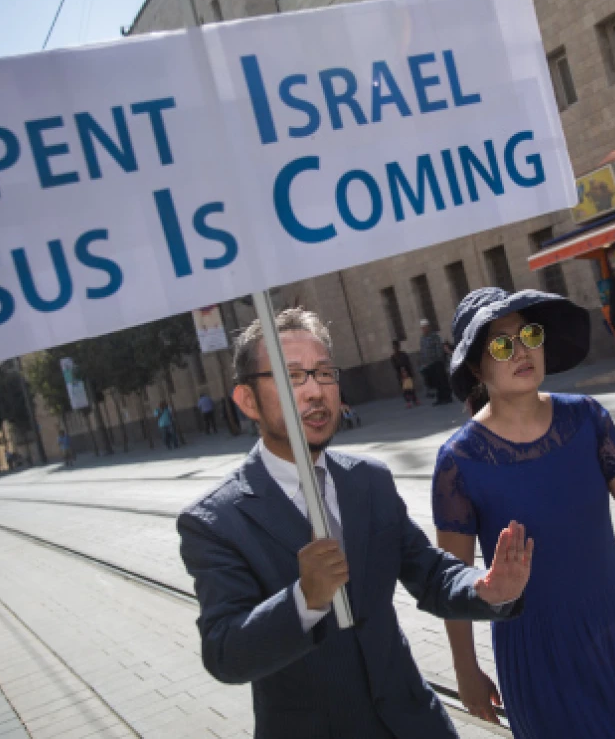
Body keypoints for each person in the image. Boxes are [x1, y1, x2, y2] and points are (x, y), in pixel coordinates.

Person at [177, 309, 532, 739]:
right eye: (292, 377)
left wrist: (485, 588)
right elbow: (225, 653)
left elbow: (430, 572)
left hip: (414, 725)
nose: (314, 392)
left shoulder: (369, 480)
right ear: (248, 400)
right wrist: (303, 599)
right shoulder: (216, 521)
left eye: (324, 374)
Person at [435, 287, 615, 738]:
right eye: (502, 345)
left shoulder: (586, 418)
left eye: (529, 334)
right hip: (535, 647)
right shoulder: (459, 460)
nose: (522, 351)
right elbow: (453, 580)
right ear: (475, 367)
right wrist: (466, 670)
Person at [419, 321, 454, 406]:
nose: (424, 329)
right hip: (429, 364)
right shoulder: (422, 339)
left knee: (442, 380)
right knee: (435, 382)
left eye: (425, 327)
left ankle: (447, 397)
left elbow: (439, 348)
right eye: (422, 328)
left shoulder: (434, 336)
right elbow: (423, 351)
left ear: (428, 327)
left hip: (437, 362)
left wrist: (439, 358)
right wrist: (424, 362)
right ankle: (440, 398)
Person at [390, 340, 416, 404]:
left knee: (410, 388)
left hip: (407, 373)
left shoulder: (403, 354)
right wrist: (401, 369)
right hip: (400, 375)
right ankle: (408, 402)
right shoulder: (393, 357)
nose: (396, 348)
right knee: (405, 389)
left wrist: (410, 372)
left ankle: (414, 400)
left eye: (397, 346)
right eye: (394, 347)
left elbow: (408, 363)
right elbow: (395, 366)